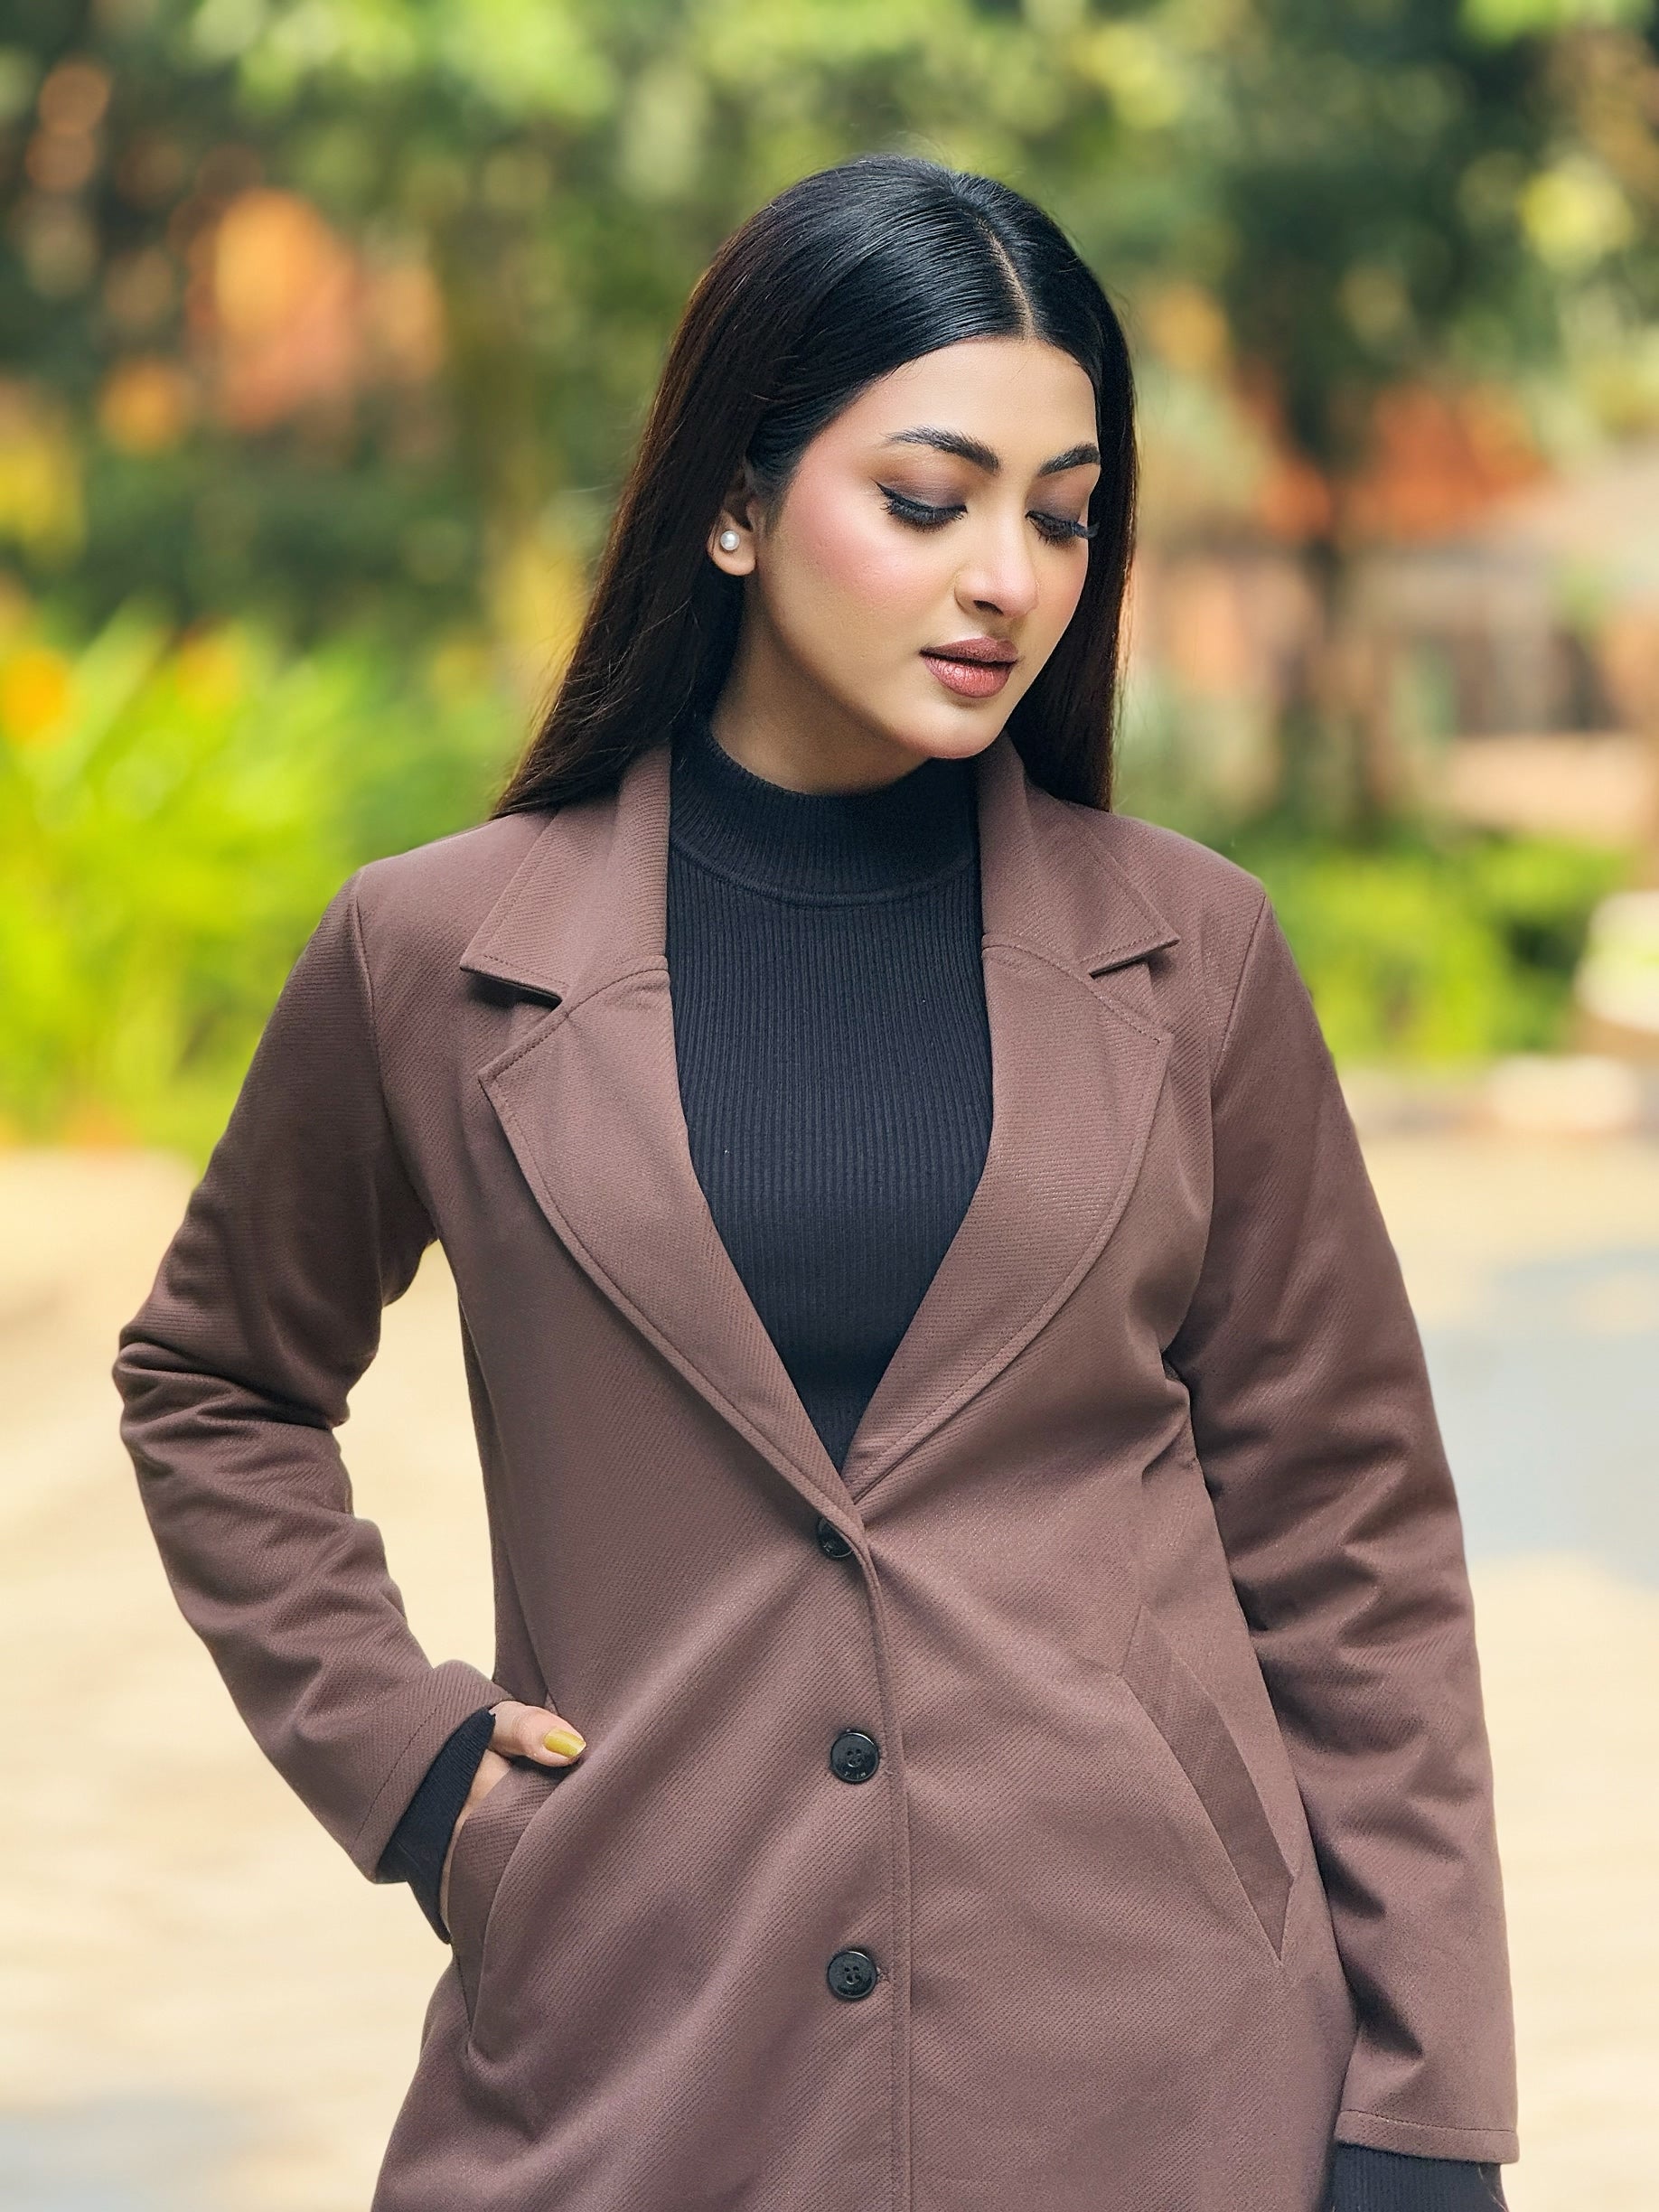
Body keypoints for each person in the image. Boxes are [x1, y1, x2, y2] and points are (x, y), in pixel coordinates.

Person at [114, 154, 1517, 2212]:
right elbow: (215, 1381)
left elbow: (1352, 1534)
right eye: (929, 501)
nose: (1009, 581)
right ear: (738, 501)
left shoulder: (1192, 955)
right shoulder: (436, 953)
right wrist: (411, 1770)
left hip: (1172, 2058)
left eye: (1064, 516)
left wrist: (1425, 2104)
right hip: (634, 2040)